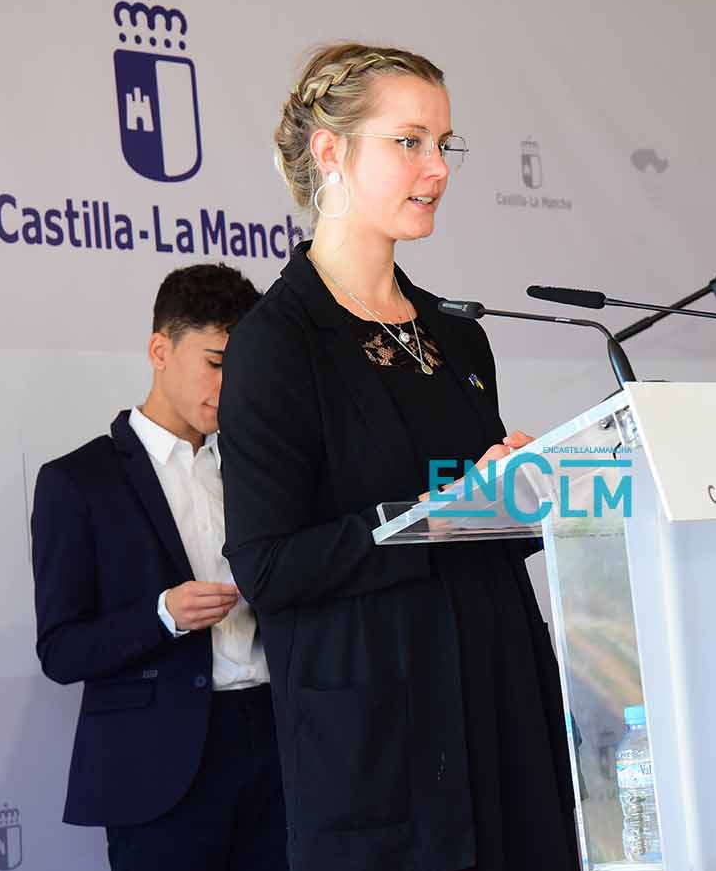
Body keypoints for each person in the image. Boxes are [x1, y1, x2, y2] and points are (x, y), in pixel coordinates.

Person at [219, 43, 578, 871]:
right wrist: (439, 515)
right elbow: (267, 568)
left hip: (500, 700)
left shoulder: (456, 334)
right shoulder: (277, 343)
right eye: (408, 142)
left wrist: (520, 489)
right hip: (384, 731)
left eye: (443, 144)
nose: (437, 167)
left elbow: (481, 522)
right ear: (330, 151)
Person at [30, 264, 283, 871]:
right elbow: (61, 651)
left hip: (276, 746)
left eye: (242, 368)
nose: (229, 386)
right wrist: (162, 615)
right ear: (160, 351)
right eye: (215, 363)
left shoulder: (258, 472)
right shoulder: (77, 481)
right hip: (156, 769)